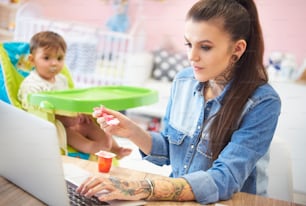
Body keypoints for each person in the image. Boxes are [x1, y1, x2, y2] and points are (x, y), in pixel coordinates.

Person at [76, 0, 281, 204]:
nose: (192, 56)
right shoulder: (184, 81)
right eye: (189, 44)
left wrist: (145, 188)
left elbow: (225, 179)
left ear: (237, 49)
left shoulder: (263, 102)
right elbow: (171, 149)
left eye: (206, 47)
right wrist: (132, 131)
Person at [18, 31, 132, 159]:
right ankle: (96, 148)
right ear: (32, 60)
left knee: (92, 124)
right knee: (71, 134)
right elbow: (38, 114)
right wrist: (64, 119)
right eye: (47, 58)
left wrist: (79, 113)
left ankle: (115, 149)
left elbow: (70, 100)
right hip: (57, 126)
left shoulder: (62, 79)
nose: (54, 63)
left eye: (59, 58)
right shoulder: (32, 85)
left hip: (73, 120)